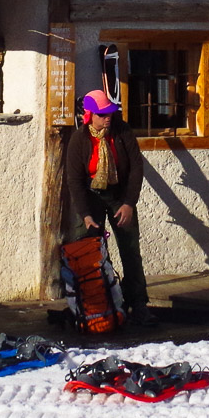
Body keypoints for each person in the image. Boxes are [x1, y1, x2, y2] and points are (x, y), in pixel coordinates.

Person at [65, 89, 153, 326]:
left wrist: (128, 203)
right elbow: (74, 180)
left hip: (119, 194)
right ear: (90, 115)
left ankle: (139, 302)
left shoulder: (122, 132)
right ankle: (95, 303)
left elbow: (136, 167)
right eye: (103, 114)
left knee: (130, 249)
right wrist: (85, 215)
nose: (108, 118)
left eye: (109, 114)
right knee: (88, 250)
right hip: (91, 196)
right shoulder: (80, 139)